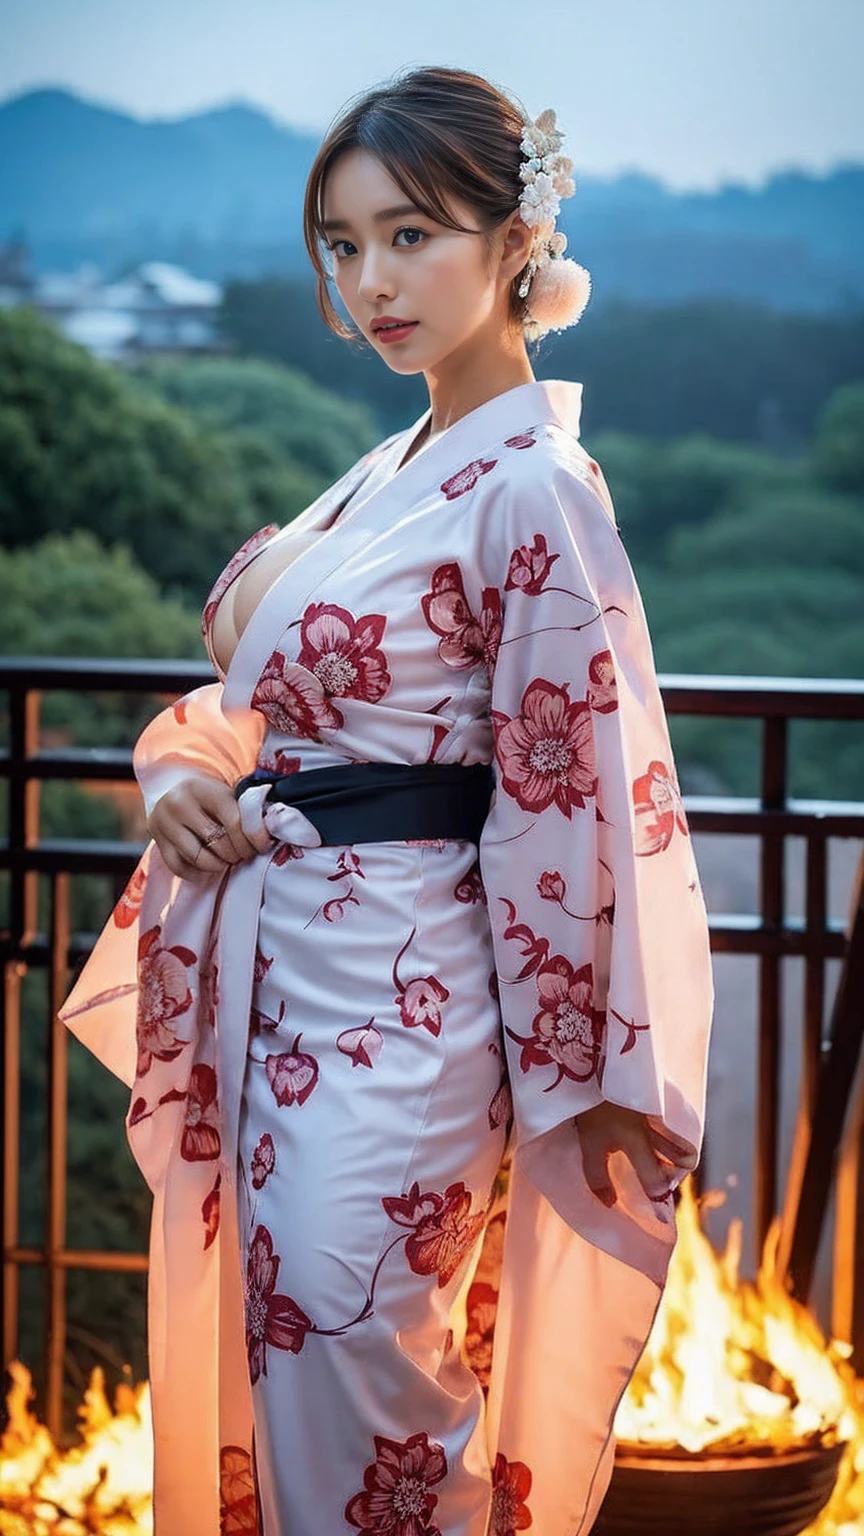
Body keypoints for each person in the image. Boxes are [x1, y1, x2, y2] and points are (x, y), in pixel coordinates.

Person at [60, 64, 714, 1536]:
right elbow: (253, 716)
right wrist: (176, 777)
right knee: (288, 1360)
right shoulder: (395, 466)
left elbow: (584, 789)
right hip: (286, 983)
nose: (373, 281)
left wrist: (589, 1074)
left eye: (412, 234)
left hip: (407, 1011)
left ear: (514, 240)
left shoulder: (534, 485)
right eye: (344, 247)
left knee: (366, 1374)